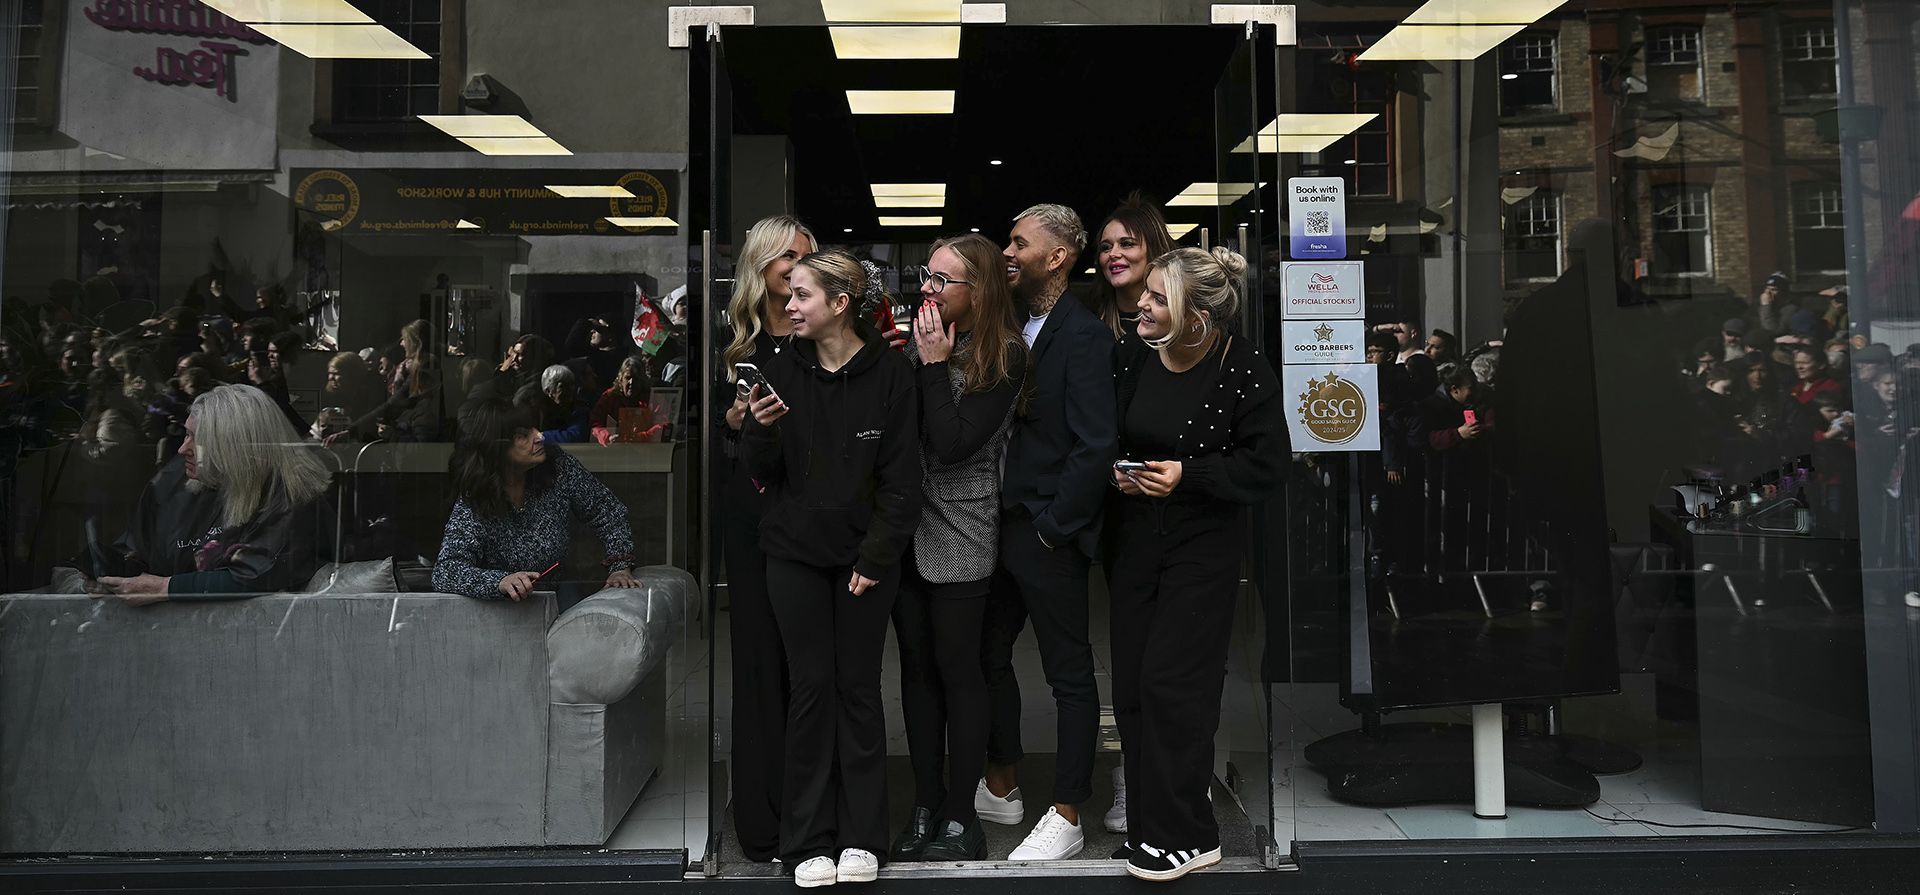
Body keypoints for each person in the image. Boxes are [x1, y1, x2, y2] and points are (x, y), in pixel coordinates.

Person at [741, 249, 921, 887]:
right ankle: (807, 840)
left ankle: (862, 837)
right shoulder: (777, 371)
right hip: (793, 556)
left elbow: (903, 482)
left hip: (865, 561)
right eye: (788, 295)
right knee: (811, 692)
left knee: (859, 692)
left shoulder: (892, 375)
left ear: (840, 304)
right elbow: (762, 475)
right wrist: (757, 432)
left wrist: (875, 559)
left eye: (800, 296)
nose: (788, 307)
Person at [1108, 247, 1285, 881]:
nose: (1143, 306)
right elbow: (1114, 435)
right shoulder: (1132, 357)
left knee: (1173, 688)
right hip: (1133, 542)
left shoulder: (1244, 369)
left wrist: (1190, 475)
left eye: (1159, 298)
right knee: (1131, 689)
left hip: (1202, 548)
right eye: (1146, 295)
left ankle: (1189, 831)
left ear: (1200, 315)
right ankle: (1150, 827)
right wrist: (1119, 474)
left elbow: (1268, 464)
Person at [981, 203, 1116, 863]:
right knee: (986, 650)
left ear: (1059, 255)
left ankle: (1067, 811)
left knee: (1068, 673)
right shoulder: (1013, 324)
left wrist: (1055, 528)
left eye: (1019, 242)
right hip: (999, 527)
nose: (1008, 251)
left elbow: (1095, 447)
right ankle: (1001, 779)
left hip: (1045, 531)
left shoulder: (1084, 335)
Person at [888, 235, 1027, 863]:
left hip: (961, 532)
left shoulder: (1005, 356)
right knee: (915, 673)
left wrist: (930, 366)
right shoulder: (920, 347)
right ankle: (924, 801)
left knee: (958, 671)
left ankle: (959, 813)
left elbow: (950, 444)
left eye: (943, 281)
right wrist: (907, 363)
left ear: (980, 291)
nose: (928, 289)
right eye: (927, 276)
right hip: (903, 528)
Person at [717, 213, 817, 864]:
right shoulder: (733, 348)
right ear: (762, 264)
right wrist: (734, 422)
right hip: (752, 515)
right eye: (788, 257)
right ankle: (762, 821)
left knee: (810, 666)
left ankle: (812, 814)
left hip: (811, 517)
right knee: (758, 663)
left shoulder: (827, 336)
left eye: (807, 257)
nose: (799, 266)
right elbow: (714, 439)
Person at [88, 384, 333, 603]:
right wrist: (114, 572)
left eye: (199, 439)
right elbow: (139, 546)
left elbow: (255, 574)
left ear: (235, 446)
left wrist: (166, 588)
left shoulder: (291, 496)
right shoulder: (177, 482)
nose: (184, 448)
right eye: (187, 434)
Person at [432, 396, 637, 608]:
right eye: (523, 435)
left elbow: (607, 510)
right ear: (497, 448)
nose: (539, 436)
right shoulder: (476, 497)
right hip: (499, 611)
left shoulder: (558, 467)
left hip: (558, 597)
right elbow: (446, 571)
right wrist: (499, 582)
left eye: (535, 428)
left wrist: (620, 566)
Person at [1087, 195, 1176, 338]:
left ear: (1154, 249)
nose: (1113, 254)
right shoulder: (1087, 323)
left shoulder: (1178, 322)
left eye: (1127, 244)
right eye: (1105, 247)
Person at [592, 356, 664, 445]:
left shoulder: (651, 398)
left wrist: (642, 437)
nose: (631, 382)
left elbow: (663, 424)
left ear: (642, 380)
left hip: (645, 448)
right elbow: (595, 422)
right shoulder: (610, 396)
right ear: (620, 379)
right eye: (628, 378)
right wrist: (607, 437)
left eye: (636, 378)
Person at [518, 363, 589, 444]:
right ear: (549, 391)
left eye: (571, 384)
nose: (570, 390)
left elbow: (575, 436)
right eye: (563, 386)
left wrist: (541, 436)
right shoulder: (535, 409)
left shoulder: (578, 409)